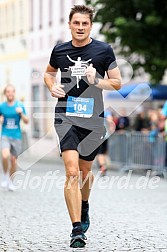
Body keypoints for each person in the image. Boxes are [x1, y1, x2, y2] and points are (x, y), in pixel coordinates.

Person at [44, 5, 121, 248]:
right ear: (69, 24)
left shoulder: (103, 50)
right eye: (76, 23)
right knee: (71, 171)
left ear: (90, 26)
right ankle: (77, 229)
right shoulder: (59, 50)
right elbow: (48, 73)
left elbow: (117, 83)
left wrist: (96, 80)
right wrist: (51, 86)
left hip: (93, 119)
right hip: (65, 115)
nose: (80, 27)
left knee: (86, 173)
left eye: (84, 24)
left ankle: (84, 204)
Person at [0, 85, 29, 191]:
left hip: (16, 136)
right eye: (8, 92)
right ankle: (5, 175)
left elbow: (26, 121)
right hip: (5, 135)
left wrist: (21, 113)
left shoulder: (19, 105)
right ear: (5, 93)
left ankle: (11, 181)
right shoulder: (2, 106)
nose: (10, 93)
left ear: (14, 93)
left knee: (13, 160)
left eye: (12, 91)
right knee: (4, 155)